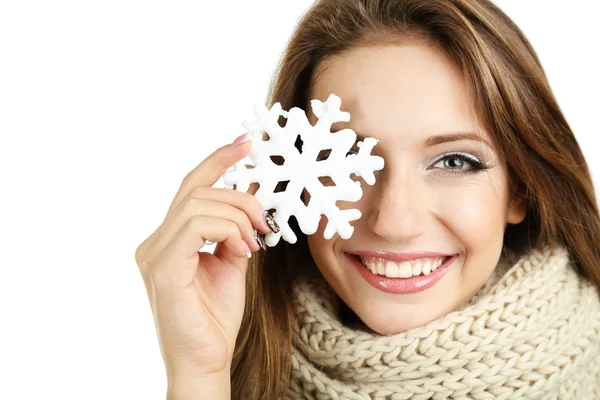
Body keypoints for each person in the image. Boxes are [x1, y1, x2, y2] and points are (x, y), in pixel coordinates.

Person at [134, 0, 600, 398]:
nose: (394, 221)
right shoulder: (238, 359)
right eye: (349, 158)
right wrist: (200, 375)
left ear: (521, 189)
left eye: (455, 162)